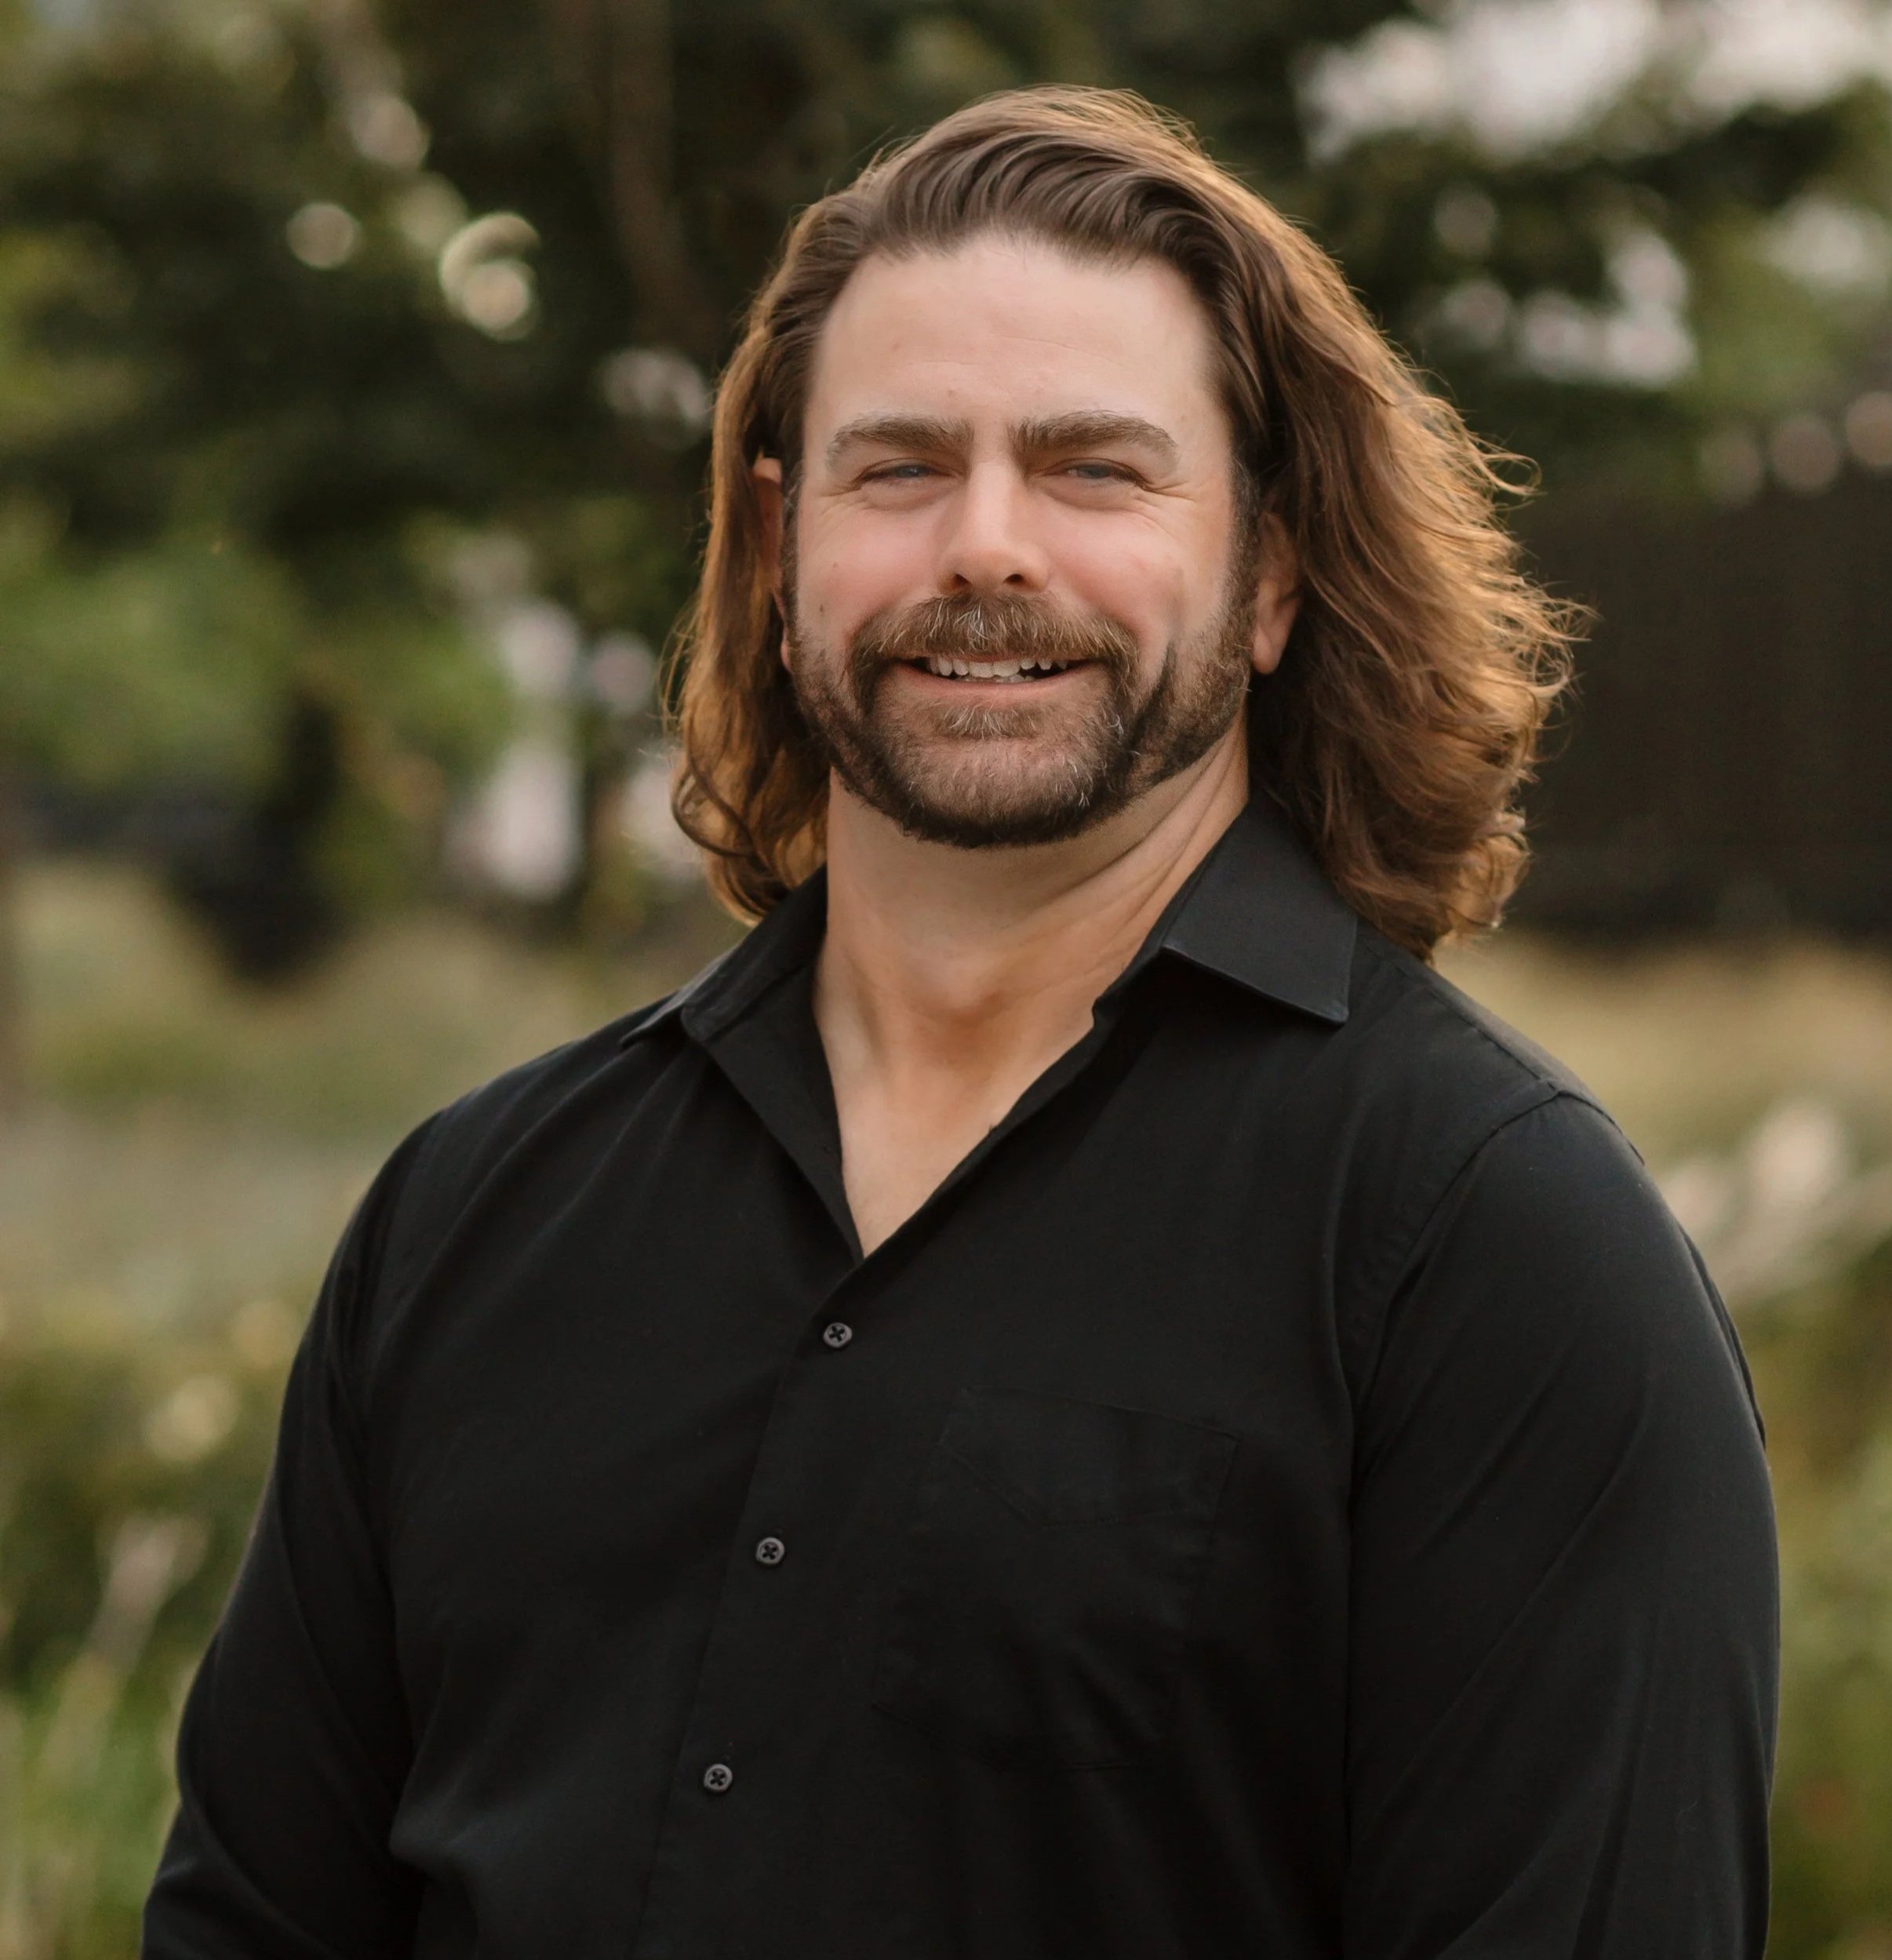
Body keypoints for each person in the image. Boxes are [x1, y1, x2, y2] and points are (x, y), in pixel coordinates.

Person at [145, 86, 1777, 1960]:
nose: (982, 548)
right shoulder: (473, 1212)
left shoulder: (1495, 1250)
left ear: (1270, 570)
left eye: (1093, 468)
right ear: (778, 552)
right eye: (897, 466)